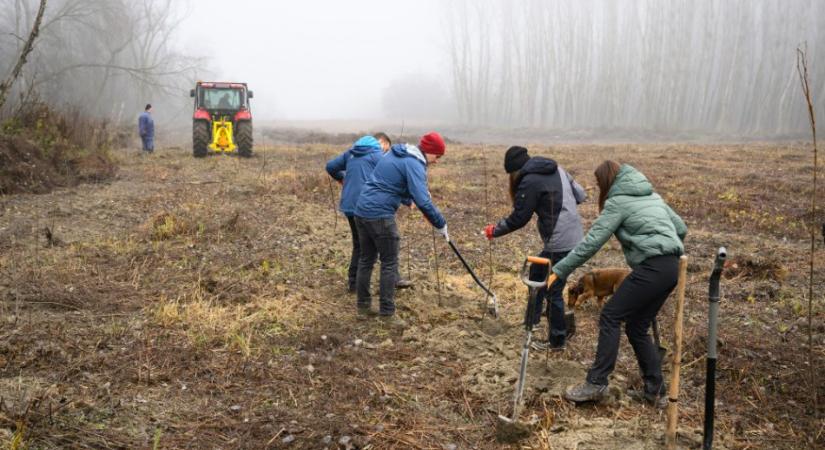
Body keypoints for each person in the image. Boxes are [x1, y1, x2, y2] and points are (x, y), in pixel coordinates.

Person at [546, 160, 687, 406]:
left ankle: (596, 383)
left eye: (599, 184)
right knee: (636, 326)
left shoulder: (617, 202)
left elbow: (591, 243)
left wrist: (559, 270)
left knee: (610, 316)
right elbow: (681, 229)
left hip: (652, 267)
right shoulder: (652, 196)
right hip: (672, 267)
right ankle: (656, 392)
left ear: (606, 182)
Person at [483, 146, 586, 351]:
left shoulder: (529, 180)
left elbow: (520, 218)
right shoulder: (558, 169)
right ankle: (533, 322)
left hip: (560, 241)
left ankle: (557, 341)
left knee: (552, 289)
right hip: (574, 235)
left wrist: (494, 231)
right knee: (537, 273)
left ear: (514, 170)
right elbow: (581, 195)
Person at [354, 132, 448, 326]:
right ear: (429, 151)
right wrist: (441, 224)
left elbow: (387, 182)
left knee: (366, 259)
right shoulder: (414, 163)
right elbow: (423, 200)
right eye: (437, 156)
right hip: (379, 215)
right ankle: (387, 314)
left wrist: (407, 199)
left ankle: (362, 306)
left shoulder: (397, 154)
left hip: (361, 210)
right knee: (389, 262)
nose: (437, 161)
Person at [325, 136, 385, 293]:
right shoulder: (377, 155)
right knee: (376, 244)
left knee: (358, 243)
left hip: (349, 206)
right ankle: (364, 283)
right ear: (376, 146)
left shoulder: (350, 154)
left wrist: (341, 178)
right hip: (367, 206)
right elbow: (391, 175)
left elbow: (330, 167)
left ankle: (353, 282)